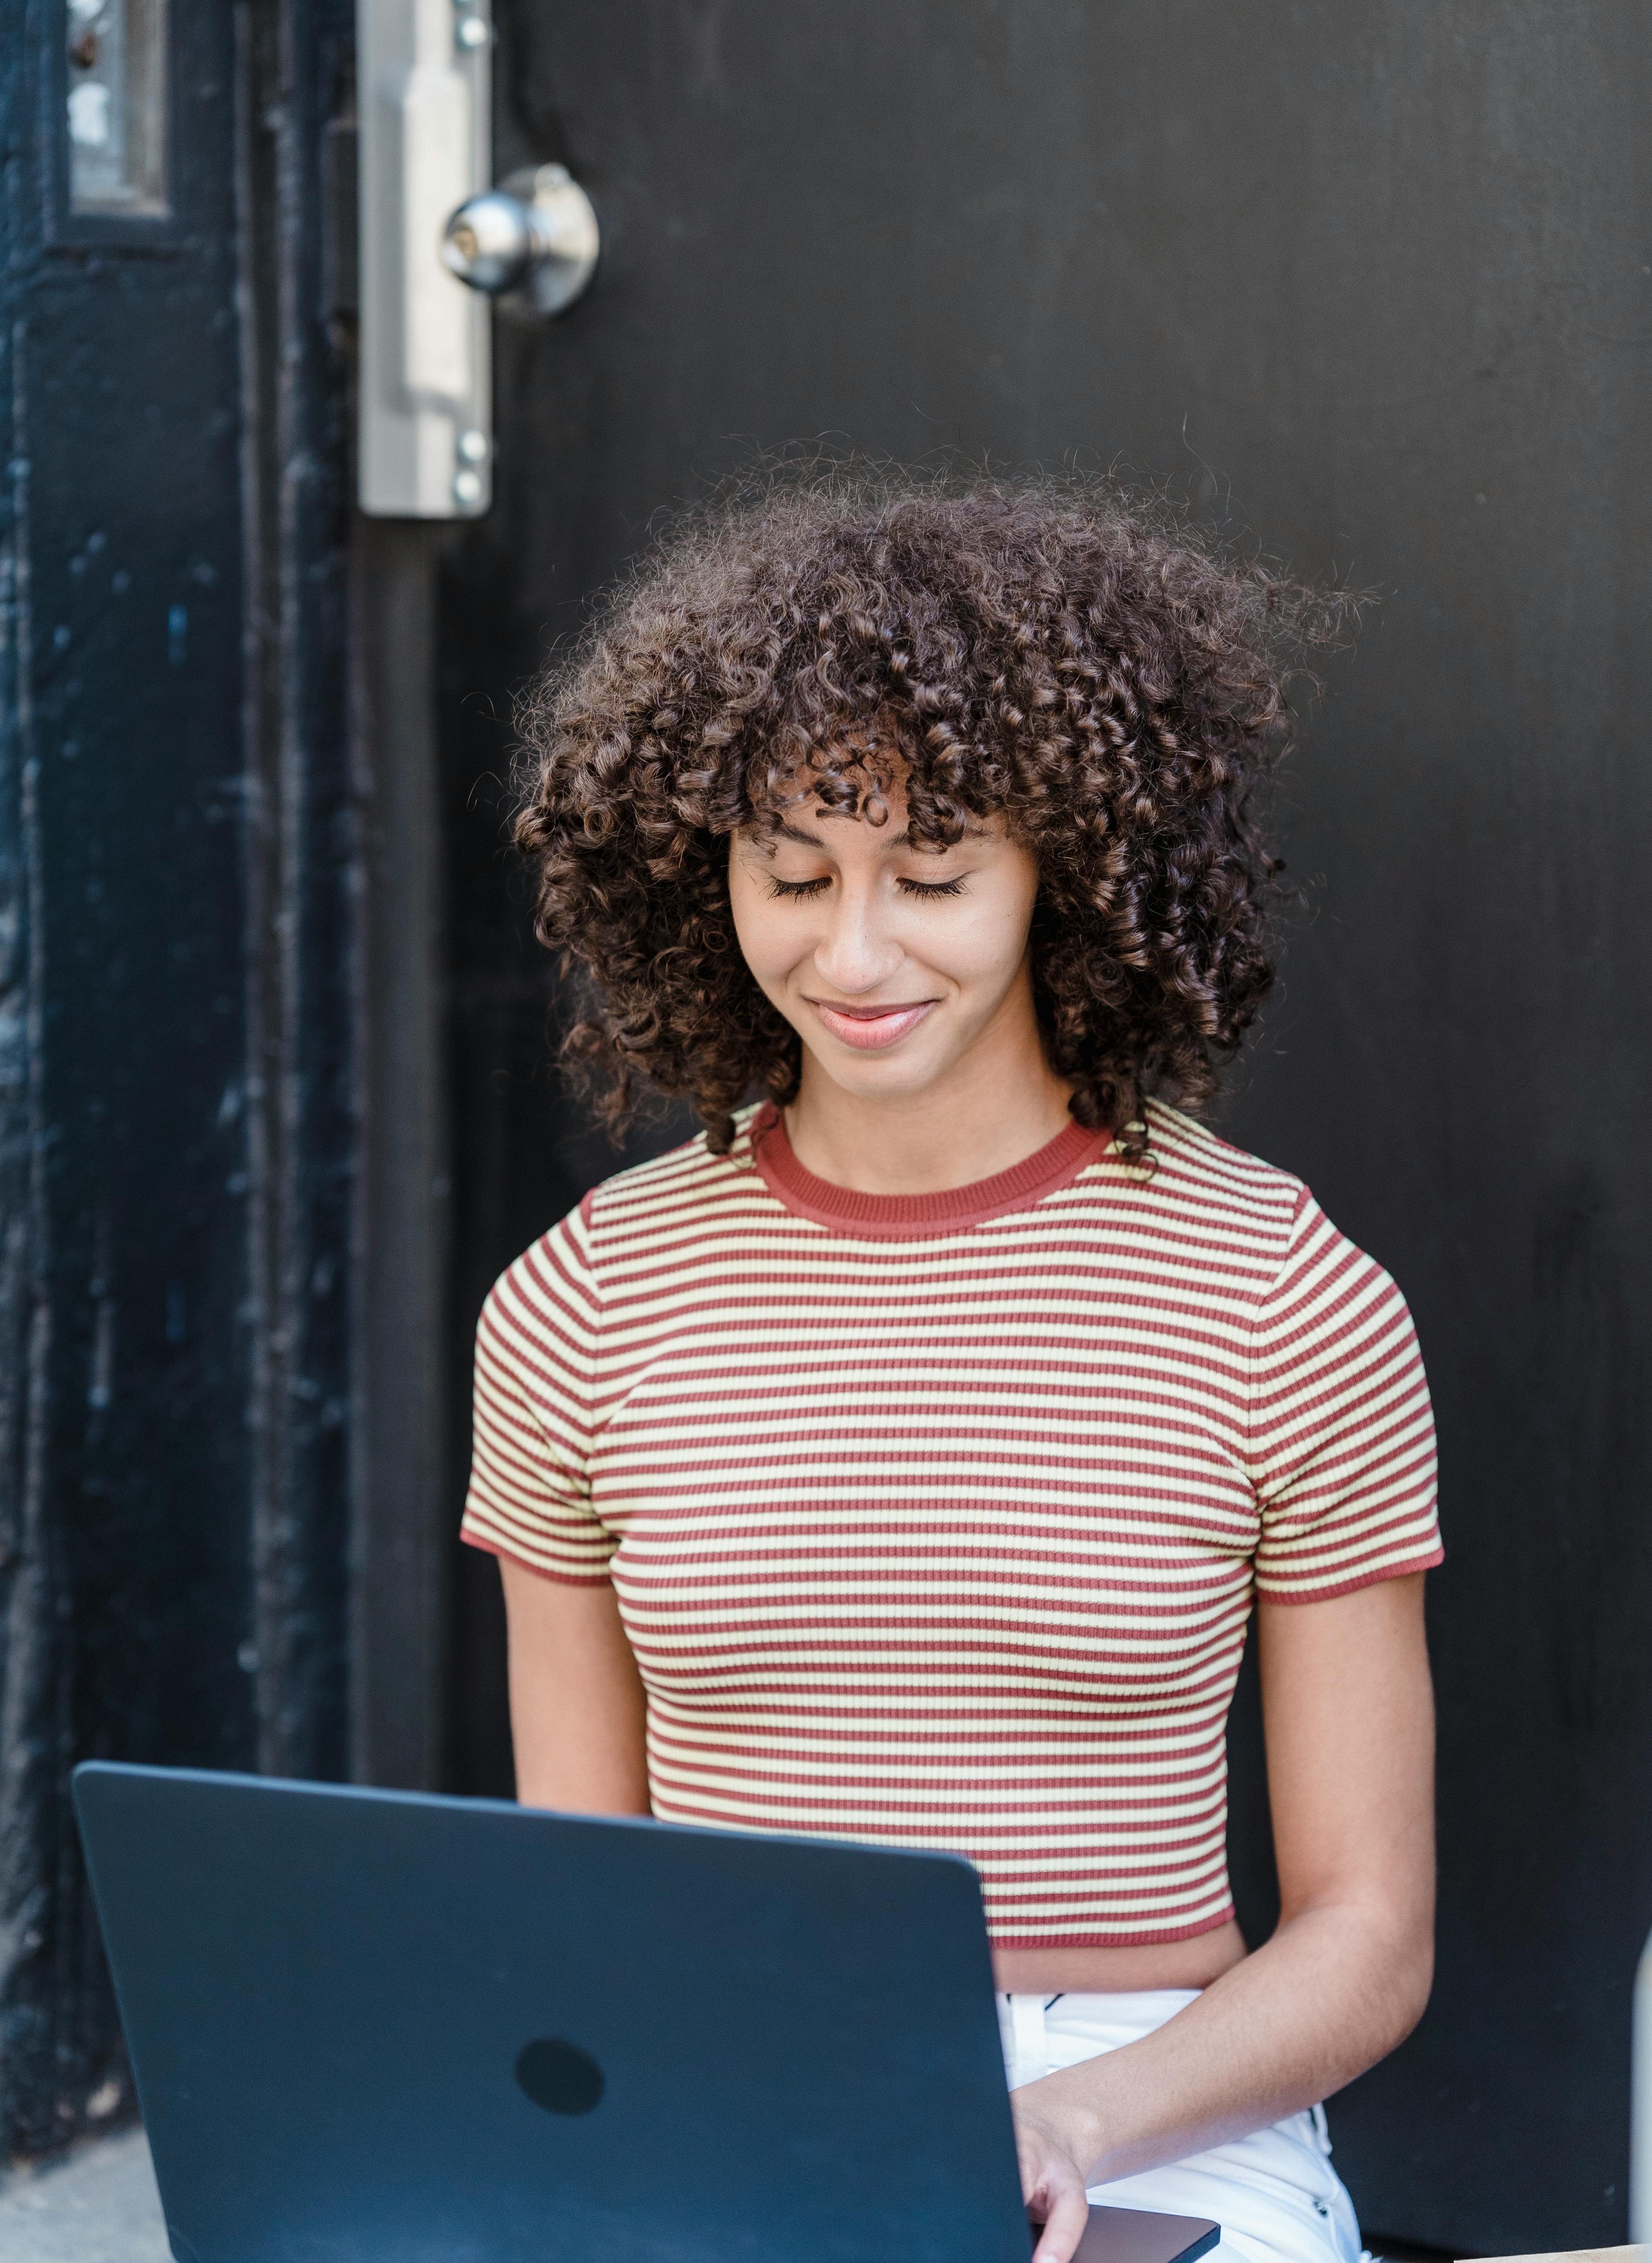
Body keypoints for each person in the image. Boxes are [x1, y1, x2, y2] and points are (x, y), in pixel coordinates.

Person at [461, 476, 1441, 2263]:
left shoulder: (1280, 1292)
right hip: (736, 2092)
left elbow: (1370, 1932)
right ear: (710, 874)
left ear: (1065, 865)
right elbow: (584, 1903)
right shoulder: (581, 1305)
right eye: (791, 874)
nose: (850, 954)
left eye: (928, 877)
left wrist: (1065, 2121)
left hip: (1158, 2102)